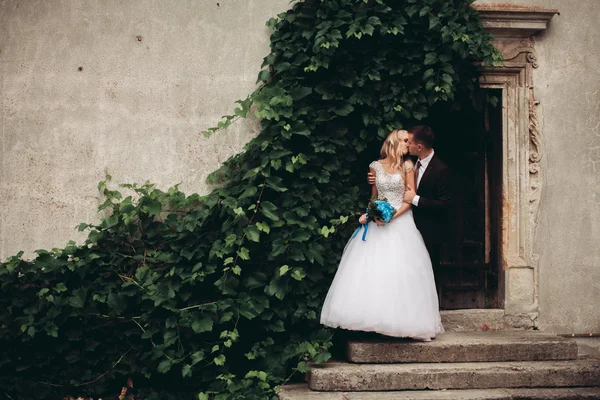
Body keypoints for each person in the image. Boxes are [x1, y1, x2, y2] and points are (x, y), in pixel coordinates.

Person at [320, 129, 443, 341]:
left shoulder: (407, 166)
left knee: (402, 272)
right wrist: (370, 214)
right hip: (379, 223)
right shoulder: (375, 167)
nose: (408, 144)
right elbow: (374, 197)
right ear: (394, 142)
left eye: (409, 141)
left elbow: (408, 199)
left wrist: (392, 216)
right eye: (405, 140)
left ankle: (406, 323)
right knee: (374, 270)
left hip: (401, 221)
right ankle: (373, 322)